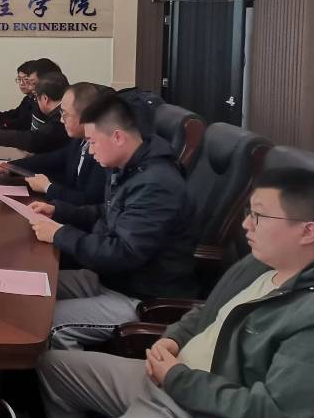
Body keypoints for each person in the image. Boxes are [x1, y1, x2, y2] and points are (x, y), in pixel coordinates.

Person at [38, 168, 314, 418]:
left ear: (308, 232)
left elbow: (279, 417)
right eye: (248, 212)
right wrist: (174, 338)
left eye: (259, 216)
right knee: (51, 366)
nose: (246, 224)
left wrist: (178, 379)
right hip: (171, 377)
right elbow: (208, 312)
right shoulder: (261, 264)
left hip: (200, 414)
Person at [29, 93, 197, 349]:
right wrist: (59, 211)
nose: (90, 150)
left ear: (117, 137)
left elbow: (123, 252)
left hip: (140, 296)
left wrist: (59, 234)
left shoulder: (157, 184)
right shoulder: (131, 166)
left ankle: (67, 372)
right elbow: (109, 211)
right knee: (32, 288)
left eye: (92, 142)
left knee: (45, 324)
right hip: (113, 279)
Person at [0, 82, 108, 206]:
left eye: (66, 114)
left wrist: (48, 188)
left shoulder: (101, 152)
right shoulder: (79, 140)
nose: (62, 120)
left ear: (86, 116)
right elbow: (52, 159)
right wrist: (6, 167)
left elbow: (90, 202)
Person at [0, 72, 70, 153]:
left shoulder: (60, 118)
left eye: (36, 98)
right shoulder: (60, 112)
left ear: (45, 98)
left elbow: (34, 139)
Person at [0, 60, 37, 131]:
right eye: (19, 79)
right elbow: (12, 115)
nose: (21, 83)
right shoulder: (27, 99)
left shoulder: (38, 102)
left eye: (25, 79)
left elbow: (22, 124)